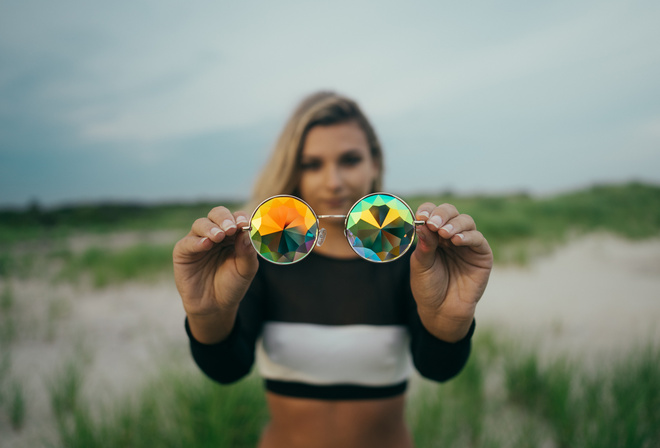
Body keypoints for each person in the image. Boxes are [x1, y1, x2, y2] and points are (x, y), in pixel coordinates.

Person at [173, 91, 493, 448]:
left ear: (375, 163)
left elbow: (439, 369)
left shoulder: (413, 258)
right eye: (312, 164)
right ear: (292, 170)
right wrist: (205, 314)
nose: (333, 181)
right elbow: (226, 370)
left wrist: (450, 319)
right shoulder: (257, 257)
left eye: (350, 160)